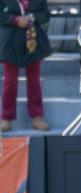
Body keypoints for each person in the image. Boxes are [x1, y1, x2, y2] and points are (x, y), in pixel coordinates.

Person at [0, 0, 51, 132]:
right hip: (10, 41)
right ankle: (6, 118)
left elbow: (45, 14)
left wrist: (31, 18)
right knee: (10, 81)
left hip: (33, 40)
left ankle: (37, 117)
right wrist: (16, 20)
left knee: (34, 80)